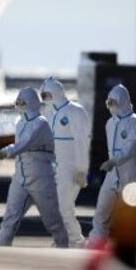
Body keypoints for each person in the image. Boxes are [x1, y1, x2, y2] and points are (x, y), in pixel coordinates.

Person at [87, 84, 136, 251]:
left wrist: (113, 161)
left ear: (122, 101)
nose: (110, 106)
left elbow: (130, 148)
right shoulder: (110, 124)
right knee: (101, 213)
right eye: (108, 102)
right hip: (113, 177)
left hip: (133, 178)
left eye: (113, 102)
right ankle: (95, 244)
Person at [0, 87, 69, 248]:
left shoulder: (40, 124)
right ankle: (2, 245)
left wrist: (7, 151)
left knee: (52, 220)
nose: (19, 105)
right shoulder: (20, 123)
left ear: (32, 103)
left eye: (23, 102)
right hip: (20, 177)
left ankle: (63, 245)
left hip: (41, 178)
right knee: (10, 216)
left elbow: (26, 142)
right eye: (18, 102)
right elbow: (22, 144)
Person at [40, 76, 90, 247]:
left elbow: (82, 142)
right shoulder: (51, 114)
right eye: (42, 95)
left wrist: (82, 169)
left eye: (46, 95)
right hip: (57, 167)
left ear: (55, 93)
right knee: (57, 206)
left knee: (64, 206)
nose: (44, 99)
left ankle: (76, 239)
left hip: (72, 166)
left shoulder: (75, 111)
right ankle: (68, 239)